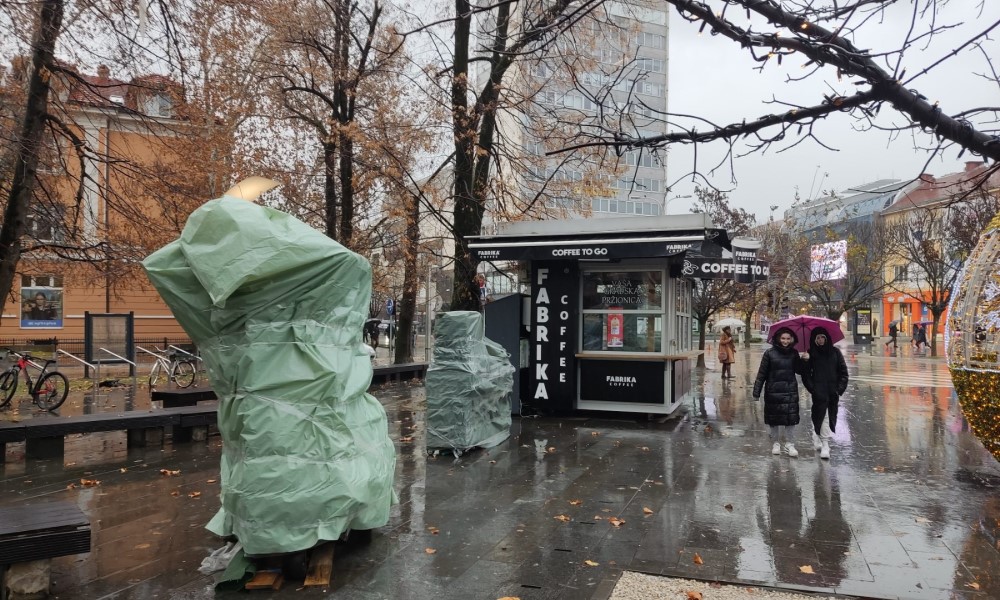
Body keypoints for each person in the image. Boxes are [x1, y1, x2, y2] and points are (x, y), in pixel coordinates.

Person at [752, 327, 806, 457]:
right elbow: (762, 374)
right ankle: (775, 443)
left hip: (790, 391)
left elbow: (799, 371)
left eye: (788, 338)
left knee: (791, 418)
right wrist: (756, 392)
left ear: (792, 339)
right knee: (774, 419)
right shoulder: (769, 353)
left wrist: (804, 360)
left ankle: (790, 444)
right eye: (783, 338)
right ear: (778, 338)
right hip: (773, 391)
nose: (785, 341)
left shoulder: (794, 353)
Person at [801, 327, 848, 459]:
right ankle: (824, 443)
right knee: (822, 416)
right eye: (818, 338)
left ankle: (820, 437)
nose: (821, 340)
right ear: (814, 339)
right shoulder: (810, 353)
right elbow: (805, 375)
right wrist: (805, 361)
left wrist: (839, 390)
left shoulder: (835, 352)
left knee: (828, 416)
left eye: (823, 337)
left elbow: (843, 372)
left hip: (832, 392)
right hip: (818, 392)